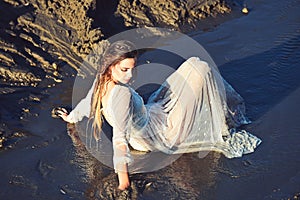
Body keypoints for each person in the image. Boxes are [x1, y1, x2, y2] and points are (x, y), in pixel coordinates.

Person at [57, 40, 261, 190]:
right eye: (124, 70)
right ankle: (222, 115)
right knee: (203, 69)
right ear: (111, 66)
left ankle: (216, 110)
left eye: (132, 69)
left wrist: (71, 117)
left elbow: (87, 104)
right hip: (161, 135)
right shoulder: (122, 94)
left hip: (151, 118)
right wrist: (123, 182)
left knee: (194, 63)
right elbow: (120, 140)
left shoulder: (101, 80)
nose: (130, 76)